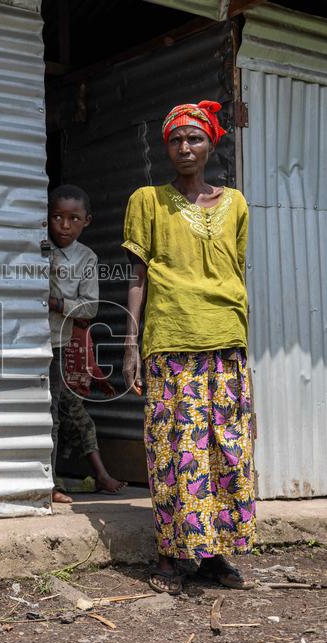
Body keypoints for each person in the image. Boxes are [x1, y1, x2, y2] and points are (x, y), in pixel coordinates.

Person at [121, 101, 256, 595]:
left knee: (224, 448)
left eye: (195, 139)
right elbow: (137, 278)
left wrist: (244, 339)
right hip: (171, 341)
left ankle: (214, 555)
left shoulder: (236, 204)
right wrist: (131, 343)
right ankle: (171, 556)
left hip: (224, 340)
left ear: (211, 144)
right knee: (175, 450)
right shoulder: (146, 201)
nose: (185, 148)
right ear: (166, 147)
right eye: (176, 140)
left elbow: (235, 274)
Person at [48, 184, 126, 503]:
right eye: (57, 217)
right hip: (25, 341)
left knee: (58, 411)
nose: (64, 225)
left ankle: (54, 482)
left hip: (60, 344)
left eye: (73, 218)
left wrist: (57, 304)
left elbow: (90, 307)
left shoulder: (86, 258)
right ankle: (58, 480)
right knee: (51, 412)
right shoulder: (35, 248)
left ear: (87, 221)